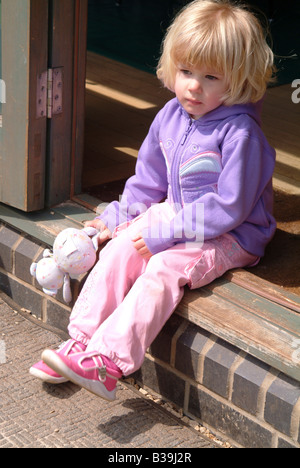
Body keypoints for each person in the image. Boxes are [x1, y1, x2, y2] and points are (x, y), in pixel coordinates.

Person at [30, 0, 276, 401]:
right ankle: (82, 342)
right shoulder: (171, 115)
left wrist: (169, 233)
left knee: (162, 267)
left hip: (232, 233)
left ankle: (108, 363)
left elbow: (230, 207)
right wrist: (115, 220)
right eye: (185, 71)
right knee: (123, 248)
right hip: (178, 215)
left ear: (240, 79)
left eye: (211, 76)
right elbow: (147, 183)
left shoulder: (240, 134)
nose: (193, 85)